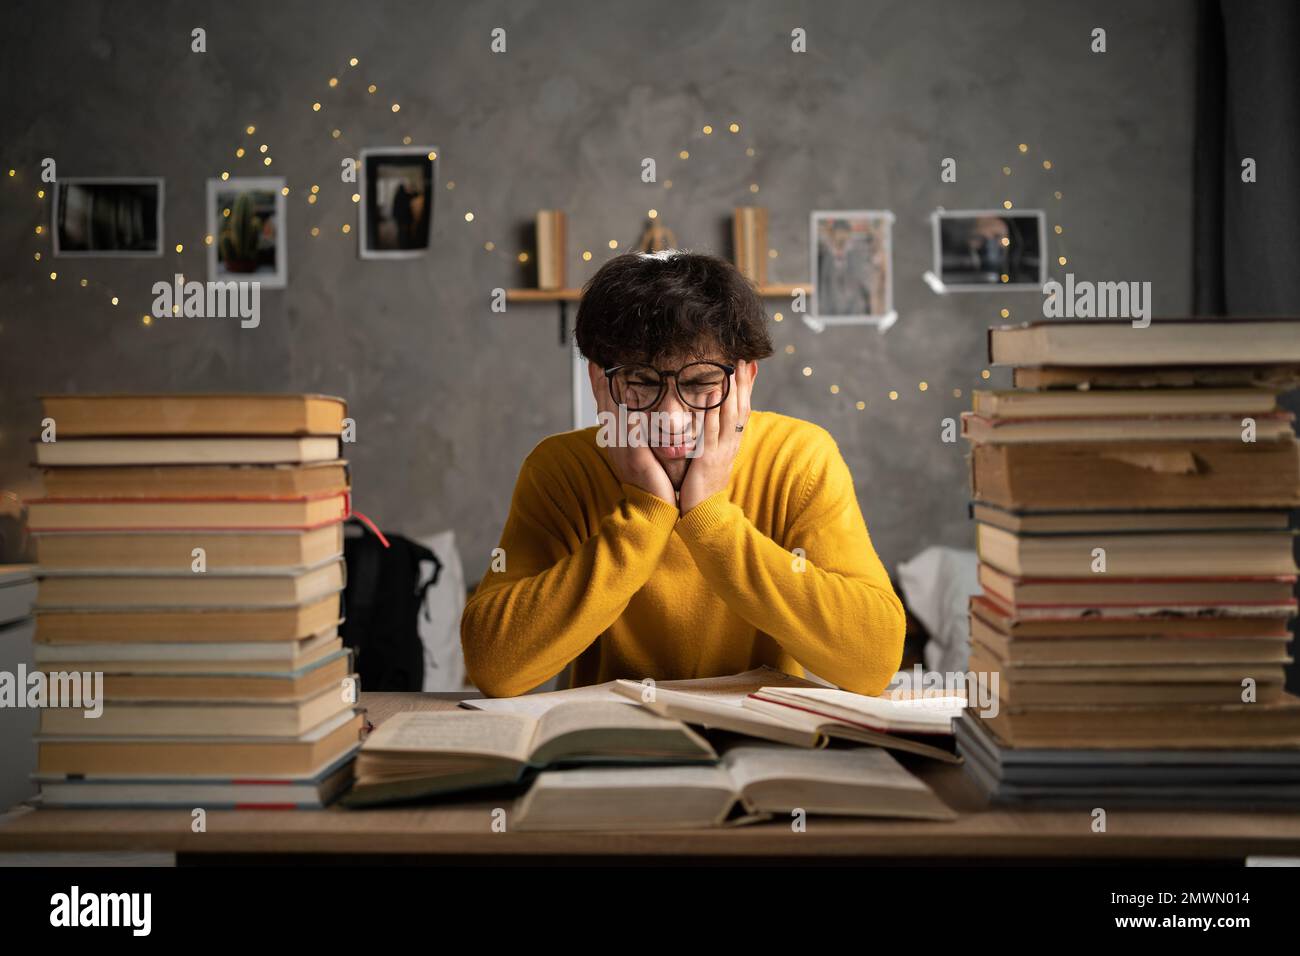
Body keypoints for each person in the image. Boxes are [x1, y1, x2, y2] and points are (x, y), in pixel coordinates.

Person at [460, 250, 905, 697]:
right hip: (611, 747)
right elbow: (494, 666)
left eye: (700, 383)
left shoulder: (799, 457)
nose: (672, 418)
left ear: (745, 381)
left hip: (760, 742)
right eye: (641, 382)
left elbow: (873, 661)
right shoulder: (559, 468)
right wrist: (644, 512)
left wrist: (710, 518)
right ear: (600, 383)